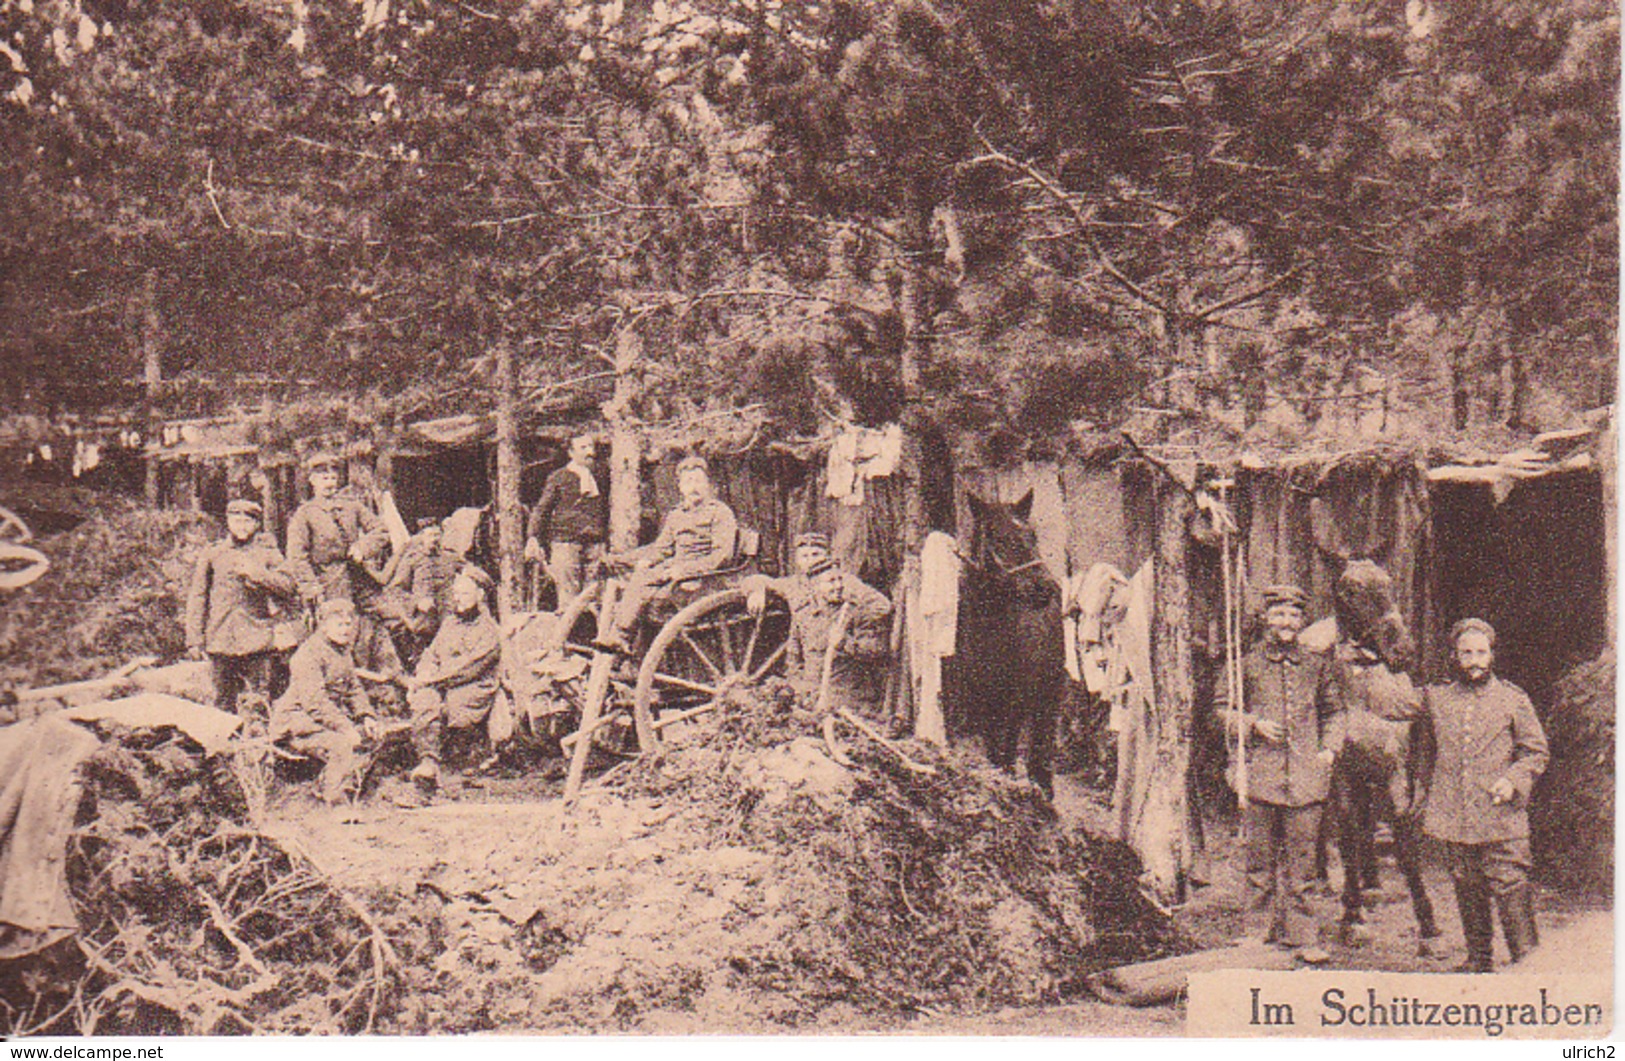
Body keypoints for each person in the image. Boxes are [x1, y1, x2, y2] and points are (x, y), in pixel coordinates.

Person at [1217, 584, 1344, 964]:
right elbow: (1221, 709)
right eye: (1278, 615)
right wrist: (1252, 724)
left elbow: (1335, 711)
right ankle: (1257, 931)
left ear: (1302, 620)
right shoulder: (1245, 664)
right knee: (1259, 861)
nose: (1286, 623)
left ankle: (1304, 935)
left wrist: (1329, 749)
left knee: (1304, 863)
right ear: (1266, 620)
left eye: (1293, 615)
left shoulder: (1317, 665)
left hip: (1307, 779)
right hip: (1261, 775)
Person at [1417, 618, 1549, 973]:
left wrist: (1513, 780)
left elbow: (1535, 752)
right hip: (1455, 813)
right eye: (1466, 653)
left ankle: (1528, 963)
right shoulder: (1436, 698)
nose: (1474, 660)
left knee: (1510, 883)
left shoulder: (1512, 699)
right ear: (1454, 656)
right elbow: (1424, 750)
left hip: (1501, 813)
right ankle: (1478, 959)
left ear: (1492, 655)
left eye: (1481, 652)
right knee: (1466, 883)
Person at [597, 455, 737, 652]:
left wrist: (685, 570)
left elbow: (722, 556)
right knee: (641, 580)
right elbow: (661, 549)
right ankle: (625, 650)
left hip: (704, 578)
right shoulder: (676, 514)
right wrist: (631, 559)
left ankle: (622, 637)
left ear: (708, 484)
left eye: (698, 480)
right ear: (680, 487)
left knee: (647, 589)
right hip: (676, 574)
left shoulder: (720, 513)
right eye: (688, 482)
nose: (694, 487)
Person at [184, 498, 299, 712]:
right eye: (237, 521)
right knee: (222, 702)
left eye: (248, 521)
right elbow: (198, 596)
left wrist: (258, 574)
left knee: (259, 701)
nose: (242, 526)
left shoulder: (267, 552)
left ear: (256, 525)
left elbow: (288, 585)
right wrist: (194, 639)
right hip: (220, 639)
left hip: (257, 639)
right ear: (228, 522)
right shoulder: (213, 552)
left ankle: (257, 743)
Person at [270, 598, 376, 807]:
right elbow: (315, 703)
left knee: (374, 735)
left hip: (323, 720)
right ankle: (336, 802)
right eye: (339, 624)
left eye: (348, 624)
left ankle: (327, 784)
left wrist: (366, 716)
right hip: (297, 723)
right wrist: (345, 728)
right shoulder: (308, 655)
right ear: (324, 625)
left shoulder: (342, 650)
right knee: (342, 743)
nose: (345, 630)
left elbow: (354, 688)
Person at [406, 565, 502, 795]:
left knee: (457, 704)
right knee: (424, 699)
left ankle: (459, 767)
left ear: (480, 595)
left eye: (465, 594)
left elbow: (468, 668)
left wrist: (432, 680)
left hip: (474, 685)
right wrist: (424, 674)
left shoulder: (489, 629)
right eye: (456, 594)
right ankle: (428, 762)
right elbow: (432, 653)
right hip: (441, 682)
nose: (458, 600)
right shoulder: (450, 622)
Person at [782, 554, 893, 717]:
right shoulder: (803, 615)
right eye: (831, 581)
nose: (839, 586)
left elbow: (877, 651)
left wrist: (846, 643)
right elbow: (793, 659)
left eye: (840, 580)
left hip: (850, 703)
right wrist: (800, 688)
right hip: (811, 701)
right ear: (815, 587)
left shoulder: (856, 612)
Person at [525, 434, 608, 609]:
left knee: (594, 596)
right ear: (571, 453)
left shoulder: (600, 475)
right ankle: (569, 635)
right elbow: (542, 508)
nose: (590, 452)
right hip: (566, 544)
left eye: (591, 447)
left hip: (594, 544)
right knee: (568, 598)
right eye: (583, 448)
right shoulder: (559, 477)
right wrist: (533, 536)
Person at [376, 517, 461, 668]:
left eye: (437, 535)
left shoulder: (450, 558)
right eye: (430, 535)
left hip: (449, 622)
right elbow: (395, 590)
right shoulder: (412, 560)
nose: (435, 539)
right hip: (424, 626)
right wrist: (417, 602)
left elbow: (474, 573)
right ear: (421, 537)